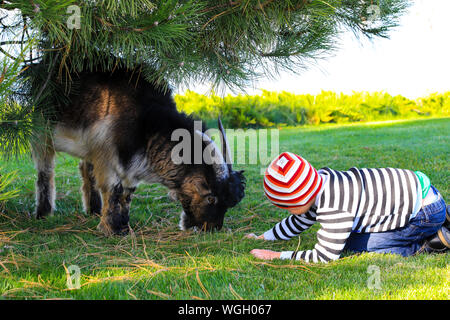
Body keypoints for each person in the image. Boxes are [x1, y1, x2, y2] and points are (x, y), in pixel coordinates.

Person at [246, 152, 449, 263]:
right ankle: (445, 215)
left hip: (424, 214)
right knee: (350, 236)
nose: (287, 212)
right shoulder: (323, 180)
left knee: (353, 245)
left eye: (287, 207)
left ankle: (431, 243)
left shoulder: (334, 207)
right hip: (426, 194)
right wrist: (264, 237)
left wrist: (276, 256)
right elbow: (299, 220)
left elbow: (325, 256)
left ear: (299, 201)